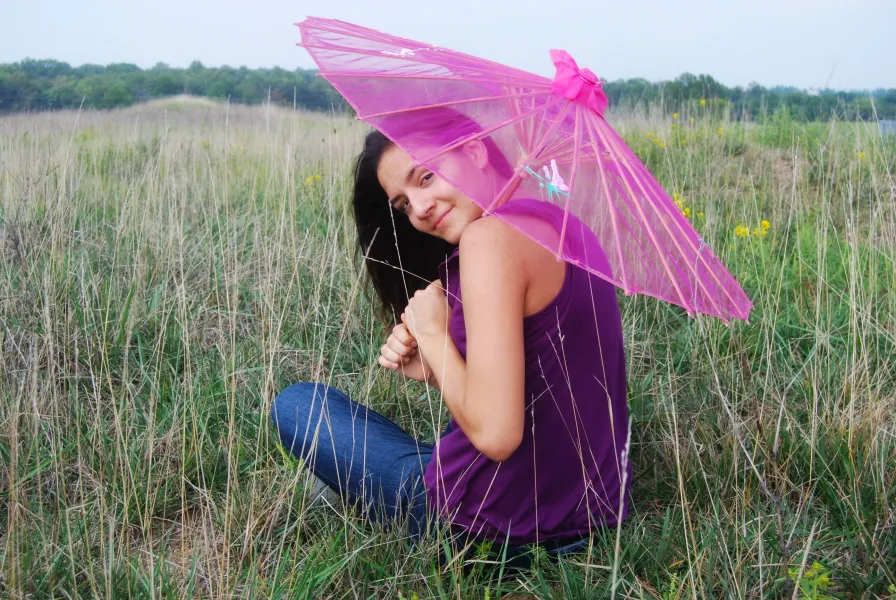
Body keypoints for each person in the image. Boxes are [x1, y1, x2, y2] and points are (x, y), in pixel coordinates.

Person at [271, 108, 631, 567]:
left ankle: (348, 489)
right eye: (403, 204)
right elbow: (546, 381)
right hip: (595, 518)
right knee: (423, 449)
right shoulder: (567, 226)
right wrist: (434, 366)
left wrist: (433, 332)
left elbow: (497, 435)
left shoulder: (487, 240)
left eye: (425, 177)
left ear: (475, 150)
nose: (419, 208)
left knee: (299, 404)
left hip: (484, 531)